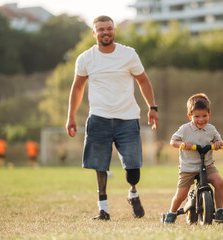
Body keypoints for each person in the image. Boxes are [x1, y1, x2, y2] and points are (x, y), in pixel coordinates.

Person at [66, 15, 158, 221]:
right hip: (99, 119)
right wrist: (70, 115)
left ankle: (133, 192)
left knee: (133, 170)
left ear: (114, 30)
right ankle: (103, 209)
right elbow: (78, 87)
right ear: (94, 33)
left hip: (127, 119)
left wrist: (152, 107)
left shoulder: (129, 54)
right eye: (101, 29)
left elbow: (143, 80)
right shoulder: (85, 59)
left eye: (109, 29)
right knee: (100, 165)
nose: (105, 32)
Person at [163, 93, 223, 224]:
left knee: (219, 182)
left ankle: (220, 211)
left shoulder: (211, 129)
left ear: (209, 114)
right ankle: (171, 212)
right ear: (190, 116)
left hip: (207, 165)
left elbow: (219, 140)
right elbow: (173, 141)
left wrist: (218, 143)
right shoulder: (185, 129)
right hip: (188, 167)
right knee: (181, 194)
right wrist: (182, 144)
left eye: (204, 116)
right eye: (197, 116)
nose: (201, 120)